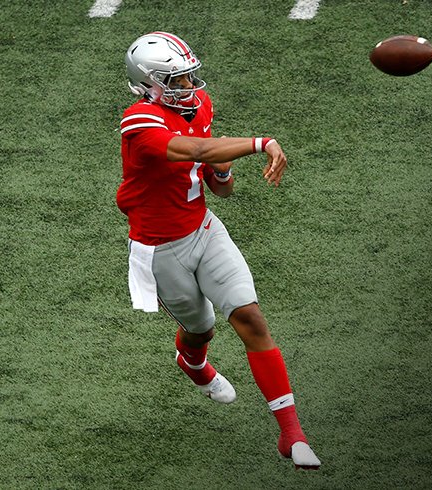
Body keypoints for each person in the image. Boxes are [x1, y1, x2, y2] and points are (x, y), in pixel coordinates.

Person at [115, 31, 320, 470]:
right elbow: (198, 149)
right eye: (176, 81)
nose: (189, 89)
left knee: (249, 317)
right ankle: (193, 363)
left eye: (190, 78)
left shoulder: (200, 107)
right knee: (202, 329)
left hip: (205, 230)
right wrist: (260, 143)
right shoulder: (138, 120)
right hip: (160, 249)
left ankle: (291, 432)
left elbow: (214, 180)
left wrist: (221, 176)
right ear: (148, 83)